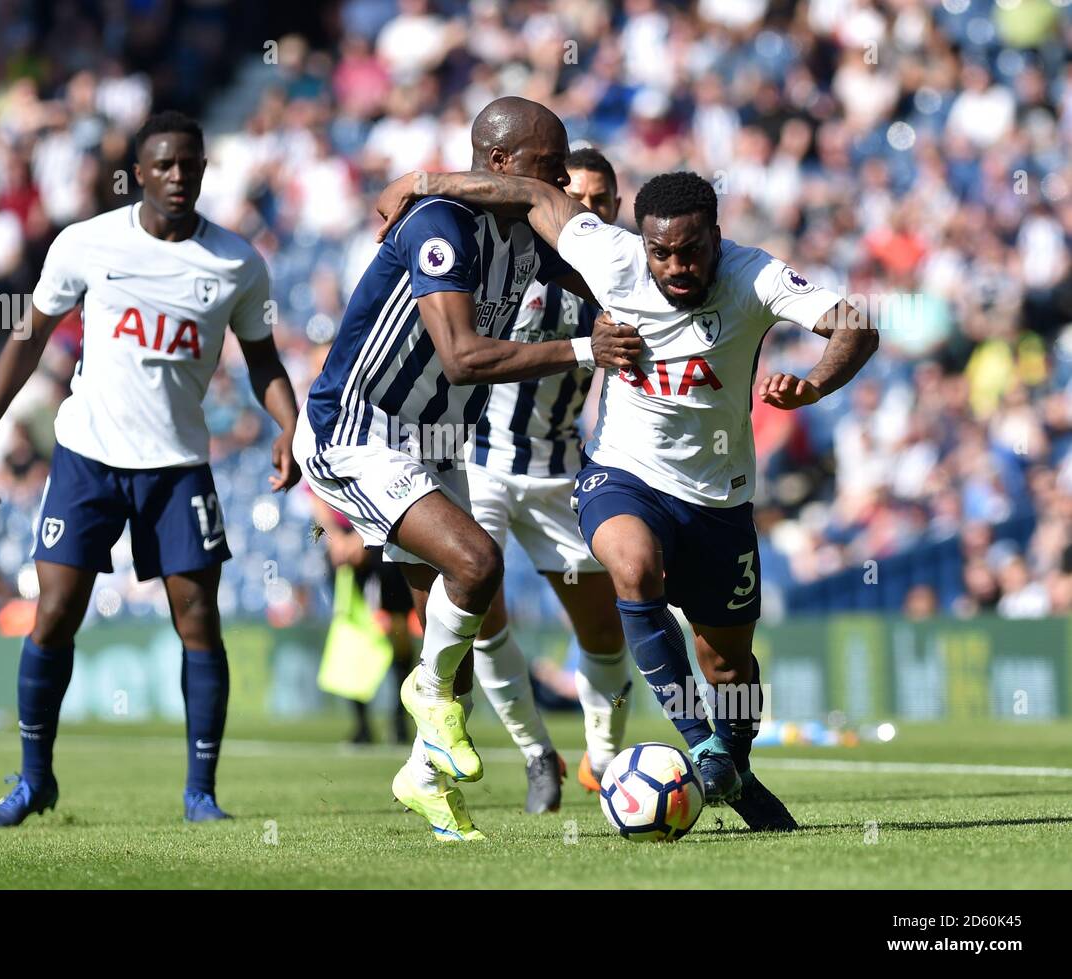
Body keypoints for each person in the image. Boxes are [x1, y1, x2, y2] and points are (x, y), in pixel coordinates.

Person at [375, 168, 879, 830]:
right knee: (634, 567)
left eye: (691, 250)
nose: (675, 265)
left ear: (717, 239)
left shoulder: (754, 276)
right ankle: (698, 742)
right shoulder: (610, 253)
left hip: (718, 498)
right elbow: (535, 195)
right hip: (621, 474)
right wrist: (427, 180)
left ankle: (733, 764)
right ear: (640, 241)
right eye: (661, 250)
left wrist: (813, 384)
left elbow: (856, 325)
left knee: (728, 662)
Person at [293, 96, 642, 841]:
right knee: (478, 564)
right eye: (548, 172)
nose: (557, 191)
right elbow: (463, 355)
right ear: (502, 166)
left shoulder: (528, 237)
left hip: (440, 441)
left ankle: (423, 780)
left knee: (460, 652)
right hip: (359, 429)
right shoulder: (438, 224)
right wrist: (588, 349)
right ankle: (428, 695)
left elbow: (612, 287)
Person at [0, 110, 300, 827]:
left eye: (191, 165)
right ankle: (33, 779)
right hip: (87, 457)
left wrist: (288, 422)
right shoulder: (87, 243)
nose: (179, 176)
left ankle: (201, 792)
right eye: (165, 165)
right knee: (54, 611)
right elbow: (29, 335)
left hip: (177, 466)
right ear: (140, 173)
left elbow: (262, 356)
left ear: (205, 171)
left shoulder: (237, 262)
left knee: (199, 618)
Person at [465, 147, 629, 813]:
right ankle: (537, 754)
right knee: (482, 618)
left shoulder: (623, 278)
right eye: (578, 198)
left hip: (563, 470)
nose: (588, 211)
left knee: (605, 632)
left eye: (602, 202)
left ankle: (608, 760)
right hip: (479, 465)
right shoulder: (506, 259)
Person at [309, 491, 415, 744]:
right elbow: (316, 495)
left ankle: (399, 721)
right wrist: (338, 541)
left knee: (397, 633)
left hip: (383, 543)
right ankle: (362, 724)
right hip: (342, 551)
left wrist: (364, 538)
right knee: (352, 634)